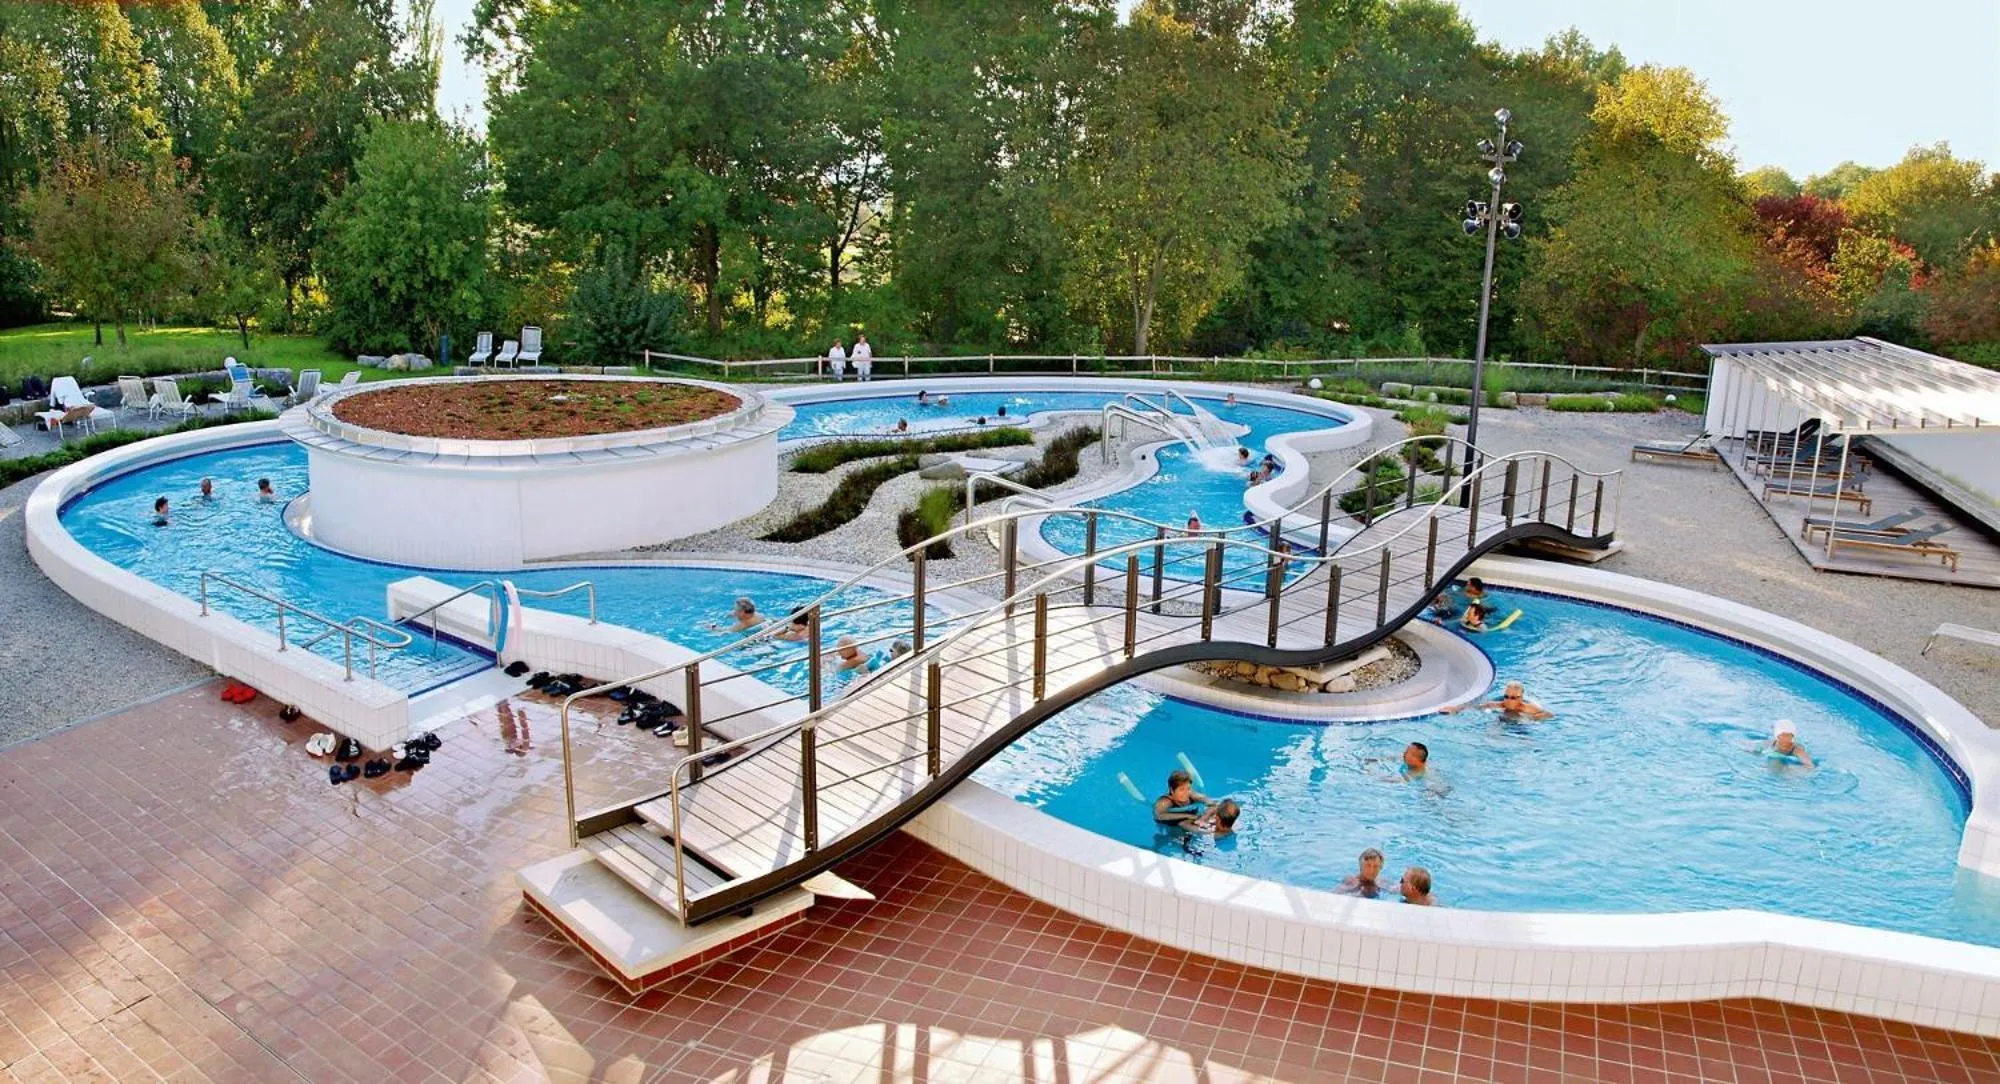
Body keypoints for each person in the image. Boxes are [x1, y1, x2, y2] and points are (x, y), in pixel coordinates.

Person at [1443, 681, 1553, 721]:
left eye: (1513, 697)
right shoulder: (1499, 705)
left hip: (1520, 724)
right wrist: (1455, 709)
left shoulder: (1528, 708)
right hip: (1504, 719)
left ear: (1520, 698)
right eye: (1506, 696)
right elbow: (1476, 706)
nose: (1508, 700)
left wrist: (1531, 718)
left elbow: (1548, 714)